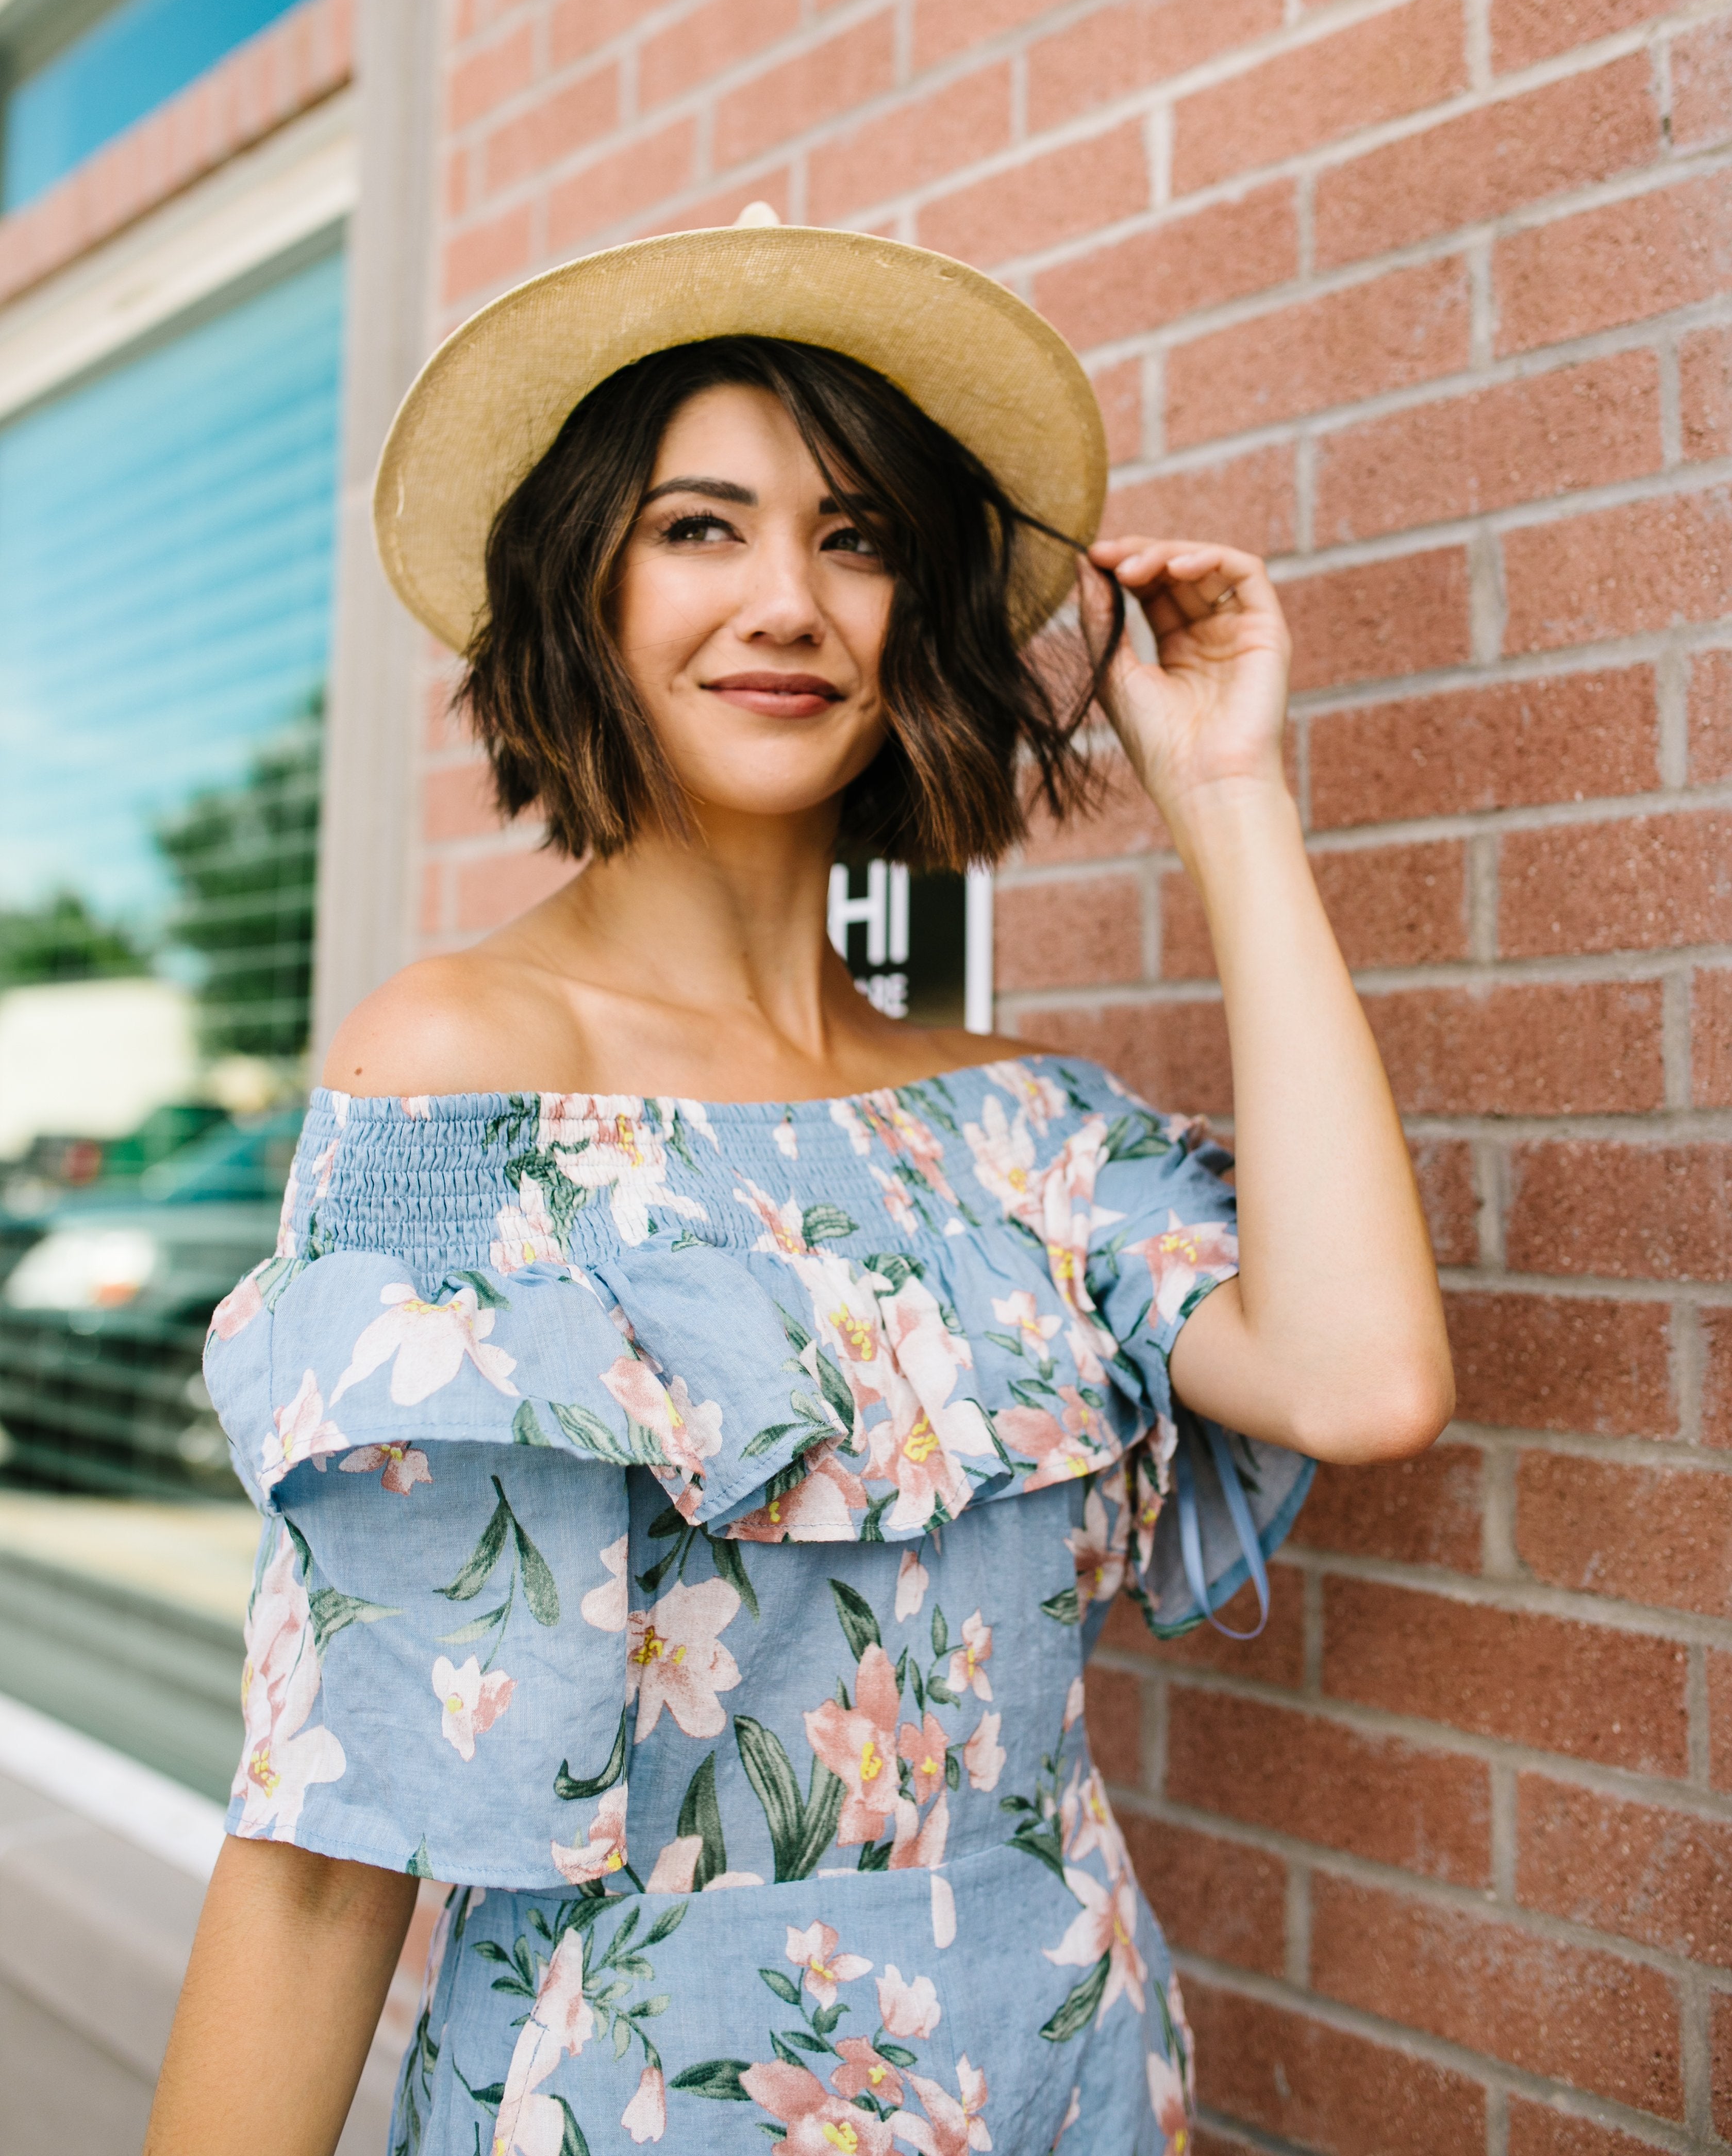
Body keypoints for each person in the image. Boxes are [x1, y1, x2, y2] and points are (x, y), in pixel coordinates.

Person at [146, 209, 1452, 2156]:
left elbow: (1361, 1383)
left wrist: (1232, 800)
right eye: (701, 528)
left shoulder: (1027, 1128)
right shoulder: (460, 1086)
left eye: (854, 540)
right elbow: (344, 1826)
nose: (788, 601)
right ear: (581, 587)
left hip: (1073, 2085)